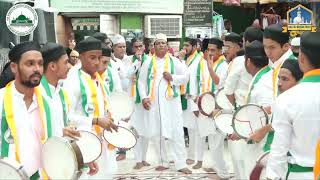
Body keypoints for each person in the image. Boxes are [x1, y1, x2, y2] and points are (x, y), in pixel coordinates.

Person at [266, 32, 320, 180]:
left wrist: (272, 176)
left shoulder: (287, 99)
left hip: (301, 175)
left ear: (301, 58)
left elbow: (279, 149)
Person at [63, 37, 118, 178]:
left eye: (99, 58)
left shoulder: (97, 78)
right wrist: (95, 120)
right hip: (84, 142)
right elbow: (67, 117)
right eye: (92, 58)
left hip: (103, 140)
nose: (97, 62)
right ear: (81, 57)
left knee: (107, 174)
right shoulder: (73, 80)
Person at [138, 33, 191, 174]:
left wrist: (172, 77)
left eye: (163, 43)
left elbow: (186, 77)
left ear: (167, 46)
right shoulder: (148, 62)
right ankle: (163, 161)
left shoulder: (175, 61)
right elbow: (141, 81)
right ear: (153, 47)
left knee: (177, 132)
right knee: (157, 133)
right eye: (158, 43)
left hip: (172, 104)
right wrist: (144, 97)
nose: (161, 45)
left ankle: (181, 163)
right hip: (154, 104)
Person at [0, 41, 49, 179]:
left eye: (40, 63)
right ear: (14, 67)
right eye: (30, 64)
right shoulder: (1, 99)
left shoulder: (49, 103)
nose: (37, 69)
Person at [224, 27, 262, 180]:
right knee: (255, 159)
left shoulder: (240, 61)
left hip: (241, 114)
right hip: (261, 116)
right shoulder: (269, 62)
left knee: (240, 160)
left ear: (246, 42)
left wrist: (236, 108)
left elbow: (228, 90)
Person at [242, 40, 273, 178]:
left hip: (261, 141)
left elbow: (268, 113)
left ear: (248, 61)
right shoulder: (263, 77)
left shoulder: (263, 82)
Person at [179, 38, 204, 168]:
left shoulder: (200, 59)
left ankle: (198, 159)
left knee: (198, 131)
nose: (185, 48)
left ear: (195, 46)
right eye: (184, 46)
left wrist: (197, 103)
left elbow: (196, 80)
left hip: (196, 99)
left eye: (187, 46)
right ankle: (190, 155)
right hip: (187, 98)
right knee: (190, 128)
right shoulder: (189, 59)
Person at [127, 37, 151, 170]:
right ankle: (137, 159)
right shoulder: (128, 60)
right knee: (136, 130)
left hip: (146, 100)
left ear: (144, 47)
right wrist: (137, 62)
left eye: (140, 46)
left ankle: (144, 158)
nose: (138, 49)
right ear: (132, 48)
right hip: (132, 101)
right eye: (135, 47)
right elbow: (126, 75)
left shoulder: (150, 60)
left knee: (146, 131)